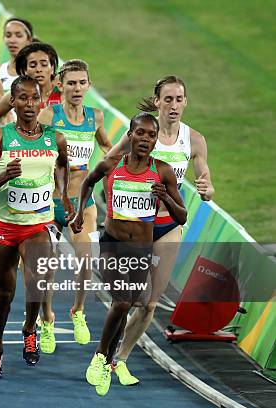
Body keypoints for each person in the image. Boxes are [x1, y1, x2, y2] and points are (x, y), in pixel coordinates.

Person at [106, 76, 214, 386]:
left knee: (151, 301)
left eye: (179, 99)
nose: (174, 105)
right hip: (135, 225)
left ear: (185, 103)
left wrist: (207, 189)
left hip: (168, 225)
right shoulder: (143, 133)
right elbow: (109, 163)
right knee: (125, 299)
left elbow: (206, 184)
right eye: (168, 99)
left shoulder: (194, 140)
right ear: (157, 102)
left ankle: (120, 359)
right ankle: (104, 352)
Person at [71, 112, 186, 396]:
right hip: (111, 243)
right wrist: (78, 213)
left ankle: (108, 360)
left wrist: (166, 198)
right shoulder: (112, 165)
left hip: (141, 250)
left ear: (156, 140)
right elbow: (88, 182)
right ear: (130, 135)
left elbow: (182, 216)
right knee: (122, 302)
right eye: (140, 133)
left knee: (124, 305)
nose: (145, 139)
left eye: (151, 135)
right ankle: (100, 357)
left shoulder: (163, 172)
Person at [0, 76, 73, 379]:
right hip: (6, 225)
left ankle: (30, 328)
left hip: (38, 224)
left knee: (37, 284)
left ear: (42, 101)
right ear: (13, 101)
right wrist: (3, 177)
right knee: (4, 293)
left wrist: (64, 196)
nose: (29, 104)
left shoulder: (55, 139)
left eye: (34, 98)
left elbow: (61, 170)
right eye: (22, 98)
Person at [36, 59, 112, 353]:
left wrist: (120, 165)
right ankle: (47, 320)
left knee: (87, 260)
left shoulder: (96, 117)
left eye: (82, 83)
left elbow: (106, 146)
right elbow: (34, 147)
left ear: (89, 86)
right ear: (60, 85)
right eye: (71, 83)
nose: (77, 88)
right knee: (48, 267)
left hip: (83, 201)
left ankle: (77, 311)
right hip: (50, 201)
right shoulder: (49, 115)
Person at [0, 42, 61, 122]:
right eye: (33, 66)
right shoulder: (16, 93)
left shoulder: (63, 92)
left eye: (44, 65)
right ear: (24, 70)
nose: (38, 70)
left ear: (52, 68)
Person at [0, 17, 34, 93]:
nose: (12, 40)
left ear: (29, 40)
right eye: (8, 35)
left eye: (18, 35)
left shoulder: (36, 74)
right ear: (3, 39)